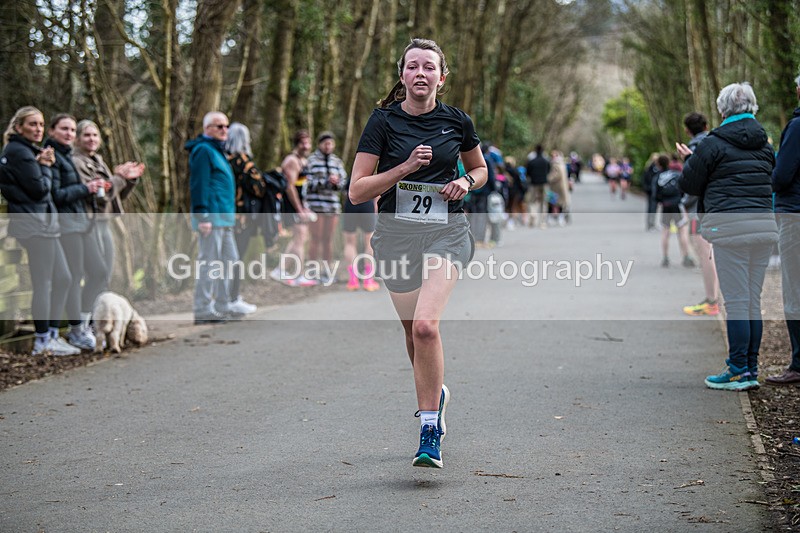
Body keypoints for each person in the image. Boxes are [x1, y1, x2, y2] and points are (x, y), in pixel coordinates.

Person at [349, 38, 488, 468]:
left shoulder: (457, 121)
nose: (421, 74)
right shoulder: (382, 122)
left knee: (426, 327)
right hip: (395, 238)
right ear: (403, 75)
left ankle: (429, 426)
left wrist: (465, 183)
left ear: (441, 78)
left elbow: (481, 169)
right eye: (413, 67)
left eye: (430, 67)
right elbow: (357, 190)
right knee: (412, 335)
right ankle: (436, 392)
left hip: (446, 231)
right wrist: (405, 168)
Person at [678, 82, 778, 390]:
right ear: (753, 108)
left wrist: (688, 161)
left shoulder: (712, 143)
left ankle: (737, 370)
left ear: (722, 110)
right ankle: (750, 369)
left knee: (735, 301)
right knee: (751, 300)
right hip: (763, 228)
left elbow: (690, 184)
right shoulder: (765, 144)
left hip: (729, 229)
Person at [0, 107, 76, 356]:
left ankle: (52, 334)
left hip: (44, 225)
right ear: (19, 126)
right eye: (32, 124)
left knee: (63, 278)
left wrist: (42, 163)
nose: (38, 129)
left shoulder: (29, 150)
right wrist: (45, 167)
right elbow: (40, 191)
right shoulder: (18, 152)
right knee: (43, 282)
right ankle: (42, 339)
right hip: (32, 226)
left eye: (41, 124)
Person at [47, 114, 108, 351]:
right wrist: (86, 188)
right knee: (73, 277)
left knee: (99, 272)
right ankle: (75, 330)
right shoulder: (53, 156)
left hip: (81, 223)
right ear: (52, 131)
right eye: (65, 129)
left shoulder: (64, 156)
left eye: (72, 130)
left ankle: (83, 322)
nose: (69, 134)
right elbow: (56, 195)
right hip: (66, 225)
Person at [72, 120, 143, 297]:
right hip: (90, 224)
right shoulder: (76, 162)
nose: (92, 139)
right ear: (77, 139)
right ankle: (85, 317)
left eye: (95, 135)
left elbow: (114, 197)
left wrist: (128, 180)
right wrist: (119, 178)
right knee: (97, 274)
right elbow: (100, 197)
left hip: (104, 223)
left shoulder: (98, 161)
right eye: (86, 135)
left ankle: (97, 314)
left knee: (106, 274)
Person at [186, 111, 240, 324]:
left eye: (226, 126)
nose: (224, 130)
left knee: (230, 261)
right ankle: (202, 308)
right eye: (219, 126)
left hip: (225, 219)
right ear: (207, 128)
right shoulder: (203, 151)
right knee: (209, 263)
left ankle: (222, 304)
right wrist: (203, 216)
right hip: (211, 218)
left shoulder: (218, 151)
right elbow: (199, 184)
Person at [765, 74, 800, 385]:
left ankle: (798, 363)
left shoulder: (797, 126)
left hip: (794, 214)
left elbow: (782, 175)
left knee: (794, 289)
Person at [221, 122, 266, 315]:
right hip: (242, 217)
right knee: (236, 257)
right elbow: (259, 187)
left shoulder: (223, 159)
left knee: (226, 258)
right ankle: (233, 297)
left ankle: (225, 297)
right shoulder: (244, 161)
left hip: (225, 213)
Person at [678, 112, 719, 316]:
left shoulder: (695, 148)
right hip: (715, 208)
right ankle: (713, 299)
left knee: (705, 254)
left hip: (699, 210)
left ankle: (712, 301)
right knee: (710, 253)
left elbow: (693, 182)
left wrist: (686, 160)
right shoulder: (716, 142)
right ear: (706, 125)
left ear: (687, 130)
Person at [271, 130, 318, 287]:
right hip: (291, 206)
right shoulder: (292, 160)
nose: (306, 146)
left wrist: (305, 207)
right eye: (302, 143)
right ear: (297, 144)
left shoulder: (303, 161)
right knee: (301, 237)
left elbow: (302, 187)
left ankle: (280, 270)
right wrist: (299, 209)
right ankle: (299, 274)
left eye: (308, 142)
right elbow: (290, 187)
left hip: (300, 205)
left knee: (299, 238)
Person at [306, 131, 347, 284]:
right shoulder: (311, 160)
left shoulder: (337, 162)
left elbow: (344, 184)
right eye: (325, 143)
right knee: (315, 238)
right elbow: (306, 183)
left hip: (332, 207)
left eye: (330, 143)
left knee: (328, 239)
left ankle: (327, 271)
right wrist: (325, 182)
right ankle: (311, 271)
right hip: (316, 205)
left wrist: (336, 183)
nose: (328, 146)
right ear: (320, 144)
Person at [342, 164, 379, 291]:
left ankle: (353, 280)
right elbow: (378, 193)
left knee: (349, 243)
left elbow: (346, 191)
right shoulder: (374, 173)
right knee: (369, 242)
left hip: (351, 205)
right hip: (367, 205)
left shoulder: (354, 172)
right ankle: (368, 280)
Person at [652, 155, 692, 267]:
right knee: (682, 230)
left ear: (658, 164)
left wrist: (661, 201)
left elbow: (655, 195)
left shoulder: (657, 177)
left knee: (665, 231)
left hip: (665, 205)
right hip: (677, 205)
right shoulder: (676, 174)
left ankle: (665, 257)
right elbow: (684, 189)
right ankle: (686, 256)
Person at [525, 144, 550, 228]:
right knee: (544, 202)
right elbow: (548, 171)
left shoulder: (532, 162)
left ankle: (533, 217)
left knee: (532, 201)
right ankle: (543, 221)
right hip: (544, 183)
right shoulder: (546, 161)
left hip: (533, 183)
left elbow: (527, 173)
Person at [547, 150, 571, 226]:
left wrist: (547, 179)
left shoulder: (555, 164)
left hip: (556, 187)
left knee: (553, 202)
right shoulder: (562, 164)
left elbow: (555, 175)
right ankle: (561, 218)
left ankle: (553, 218)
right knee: (561, 203)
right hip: (562, 187)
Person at [641, 153, 659, 231]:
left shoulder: (657, 169)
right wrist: (647, 188)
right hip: (651, 191)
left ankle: (652, 224)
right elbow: (645, 180)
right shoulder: (649, 169)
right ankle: (650, 224)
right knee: (651, 208)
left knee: (654, 208)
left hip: (655, 191)